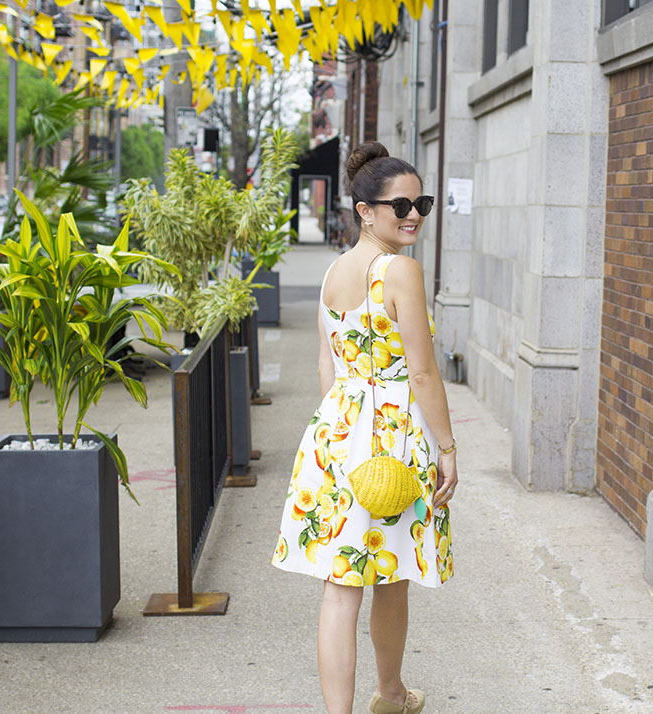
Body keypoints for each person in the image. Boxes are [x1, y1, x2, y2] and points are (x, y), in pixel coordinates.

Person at [271, 141, 457, 714]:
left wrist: (343, 430)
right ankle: (391, 693)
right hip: (395, 434)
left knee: (340, 585)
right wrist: (447, 447)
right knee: (390, 573)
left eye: (421, 203)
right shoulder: (400, 271)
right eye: (399, 206)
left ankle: (366, 703)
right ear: (364, 210)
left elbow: (327, 363)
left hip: (337, 433)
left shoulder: (334, 271)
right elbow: (423, 373)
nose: (414, 216)